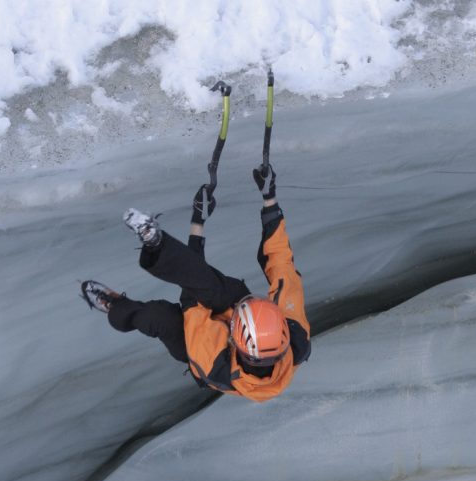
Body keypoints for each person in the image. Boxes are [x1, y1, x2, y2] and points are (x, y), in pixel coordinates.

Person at [81, 164, 311, 402]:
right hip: (230, 307)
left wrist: (197, 223)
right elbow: (282, 266)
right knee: (214, 289)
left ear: (235, 338)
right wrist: (269, 198)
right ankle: (158, 245)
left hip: (199, 351)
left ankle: (115, 305)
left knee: (156, 317)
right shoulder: (295, 334)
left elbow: (192, 296)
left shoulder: (213, 360)